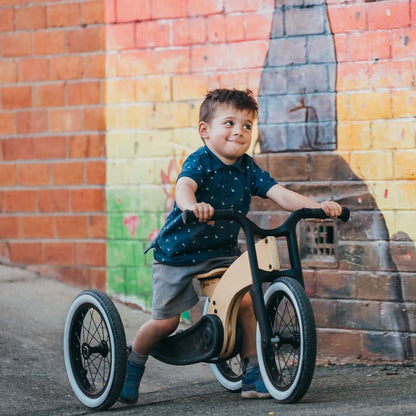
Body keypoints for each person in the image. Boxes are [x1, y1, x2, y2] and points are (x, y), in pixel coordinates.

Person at [119, 88, 342, 404]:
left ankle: (252, 372)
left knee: (248, 301)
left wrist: (318, 206)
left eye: (247, 125)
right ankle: (134, 361)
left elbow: (280, 194)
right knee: (165, 323)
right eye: (229, 123)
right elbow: (184, 187)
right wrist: (191, 206)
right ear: (205, 131)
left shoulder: (248, 168)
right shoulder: (200, 161)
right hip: (178, 255)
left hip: (219, 251)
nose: (240, 131)